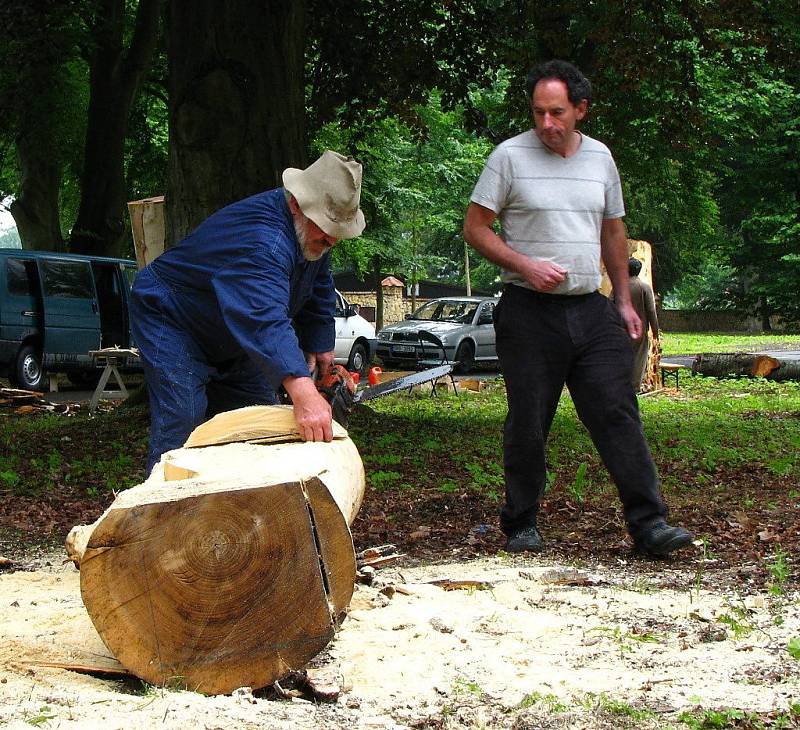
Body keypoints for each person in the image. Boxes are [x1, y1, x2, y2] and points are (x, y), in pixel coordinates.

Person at [463, 60, 692, 557]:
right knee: (528, 421)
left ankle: (649, 525)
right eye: (538, 112)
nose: (546, 123)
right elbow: (476, 227)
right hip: (527, 311)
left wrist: (623, 299)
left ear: (581, 110)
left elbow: (614, 231)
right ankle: (520, 523)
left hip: (591, 309)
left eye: (557, 113)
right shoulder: (508, 157)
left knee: (617, 412)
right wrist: (523, 263)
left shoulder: (601, 159)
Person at [130, 150, 365, 474]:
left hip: (229, 330)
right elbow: (264, 319)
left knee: (261, 422)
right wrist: (304, 391)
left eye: (334, 235)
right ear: (297, 203)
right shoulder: (264, 241)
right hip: (173, 317)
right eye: (324, 231)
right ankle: (158, 514)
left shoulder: (312, 234)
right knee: (183, 418)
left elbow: (318, 281)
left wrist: (320, 342)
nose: (330, 241)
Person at [617, 257, 660, 391]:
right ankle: (634, 386)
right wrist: (655, 331)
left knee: (621, 356)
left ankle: (620, 383)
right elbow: (651, 311)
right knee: (638, 358)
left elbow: (609, 304)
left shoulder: (619, 286)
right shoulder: (644, 287)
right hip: (639, 331)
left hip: (620, 329)